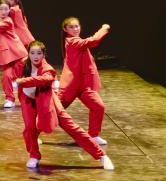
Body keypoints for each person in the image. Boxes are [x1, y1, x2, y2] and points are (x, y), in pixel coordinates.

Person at [15, 40, 112, 170]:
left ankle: (102, 156)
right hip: (28, 101)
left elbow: (45, 79)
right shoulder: (23, 64)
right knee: (29, 129)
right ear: (28, 54)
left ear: (43, 54)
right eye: (32, 53)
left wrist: (23, 81)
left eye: (39, 53)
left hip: (47, 102)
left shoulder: (48, 69)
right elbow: (15, 75)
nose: (35, 56)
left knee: (72, 127)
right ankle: (34, 156)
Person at [60, 18, 111, 145]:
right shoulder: (72, 41)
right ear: (65, 30)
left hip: (83, 85)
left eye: (77, 26)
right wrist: (104, 28)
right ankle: (33, 133)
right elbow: (93, 41)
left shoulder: (75, 40)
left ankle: (94, 135)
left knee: (98, 107)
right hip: (71, 85)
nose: (75, 29)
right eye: (71, 27)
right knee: (54, 110)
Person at [0, 0, 28, 109]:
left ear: (9, 10)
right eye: (1, 9)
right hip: (5, 55)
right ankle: (9, 99)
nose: (3, 12)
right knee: (6, 77)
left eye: (6, 9)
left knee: (21, 77)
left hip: (18, 55)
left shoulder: (8, 21)